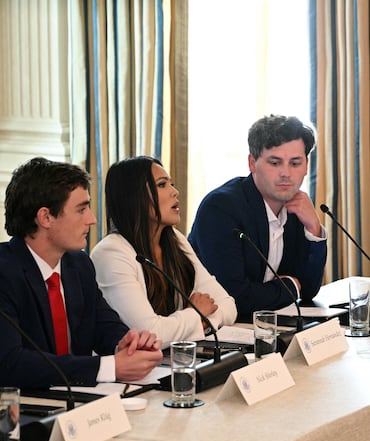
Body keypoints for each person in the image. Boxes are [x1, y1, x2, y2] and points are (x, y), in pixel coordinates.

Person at [0, 157, 163, 389]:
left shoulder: (78, 264)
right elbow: (10, 363)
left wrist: (127, 343)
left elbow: (103, 324)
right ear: (45, 217)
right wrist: (108, 367)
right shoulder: (5, 272)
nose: (92, 219)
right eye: (81, 209)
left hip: (80, 403)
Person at [189, 114, 327, 320]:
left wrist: (314, 228)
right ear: (252, 163)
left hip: (265, 326)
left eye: (295, 163)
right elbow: (236, 298)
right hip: (217, 332)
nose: (286, 173)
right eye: (275, 162)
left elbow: (308, 289)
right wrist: (290, 285)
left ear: (306, 165)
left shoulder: (297, 207)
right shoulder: (221, 208)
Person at [91, 156, 237, 343]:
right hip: (135, 369)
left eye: (172, 184)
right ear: (134, 197)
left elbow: (228, 306)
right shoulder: (111, 254)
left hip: (176, 360)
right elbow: (151, 333)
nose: (175, 192)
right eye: (162, 185)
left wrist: (201, 322)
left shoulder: (175, 240)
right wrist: (195, 315)